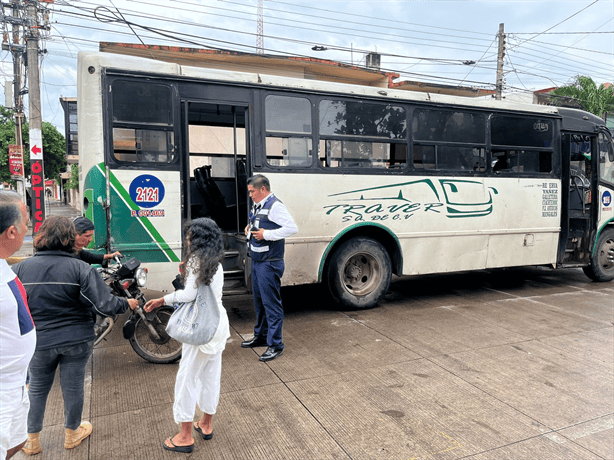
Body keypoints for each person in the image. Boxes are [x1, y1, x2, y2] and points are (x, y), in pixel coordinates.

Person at [12, 216, 138, 456]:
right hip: (76, 339)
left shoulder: (20, 269)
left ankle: (31, 440)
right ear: (70, 239)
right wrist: (126, 303)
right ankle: (71, 434)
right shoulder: (81, 268)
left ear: (42, 237)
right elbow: (104, 305)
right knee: (73, 387)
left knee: (37, 388)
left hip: (38, 341)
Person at [144, 218, 230, 454]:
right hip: (218, 324)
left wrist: (163, 299)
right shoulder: (215, 261)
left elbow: (189, 295)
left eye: (190, 235)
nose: (187, 239)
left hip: (200, 327)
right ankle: (206, 423)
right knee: (212, 375)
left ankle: (184, 436)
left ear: (198, 237)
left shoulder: (196, 261)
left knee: (187, 379)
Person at [241, 175, 298, 362]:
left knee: (271, 304)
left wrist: (268, 234)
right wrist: (249, 230)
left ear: (263, 189)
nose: (250, 195)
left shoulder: (275, 206)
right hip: (258, 261)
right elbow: (259, 225)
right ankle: (261, 336)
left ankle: (275, 345)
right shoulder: (258, 205)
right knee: (259, 302)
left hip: (269, 263)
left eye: (252, 191)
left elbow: (291, 228)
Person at [0, 191, 36, 460]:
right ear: (11, 232)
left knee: (18, 441)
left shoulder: (5, 263)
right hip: (3, 390)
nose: (29, 227)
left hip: (16, 382)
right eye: (25, 222)